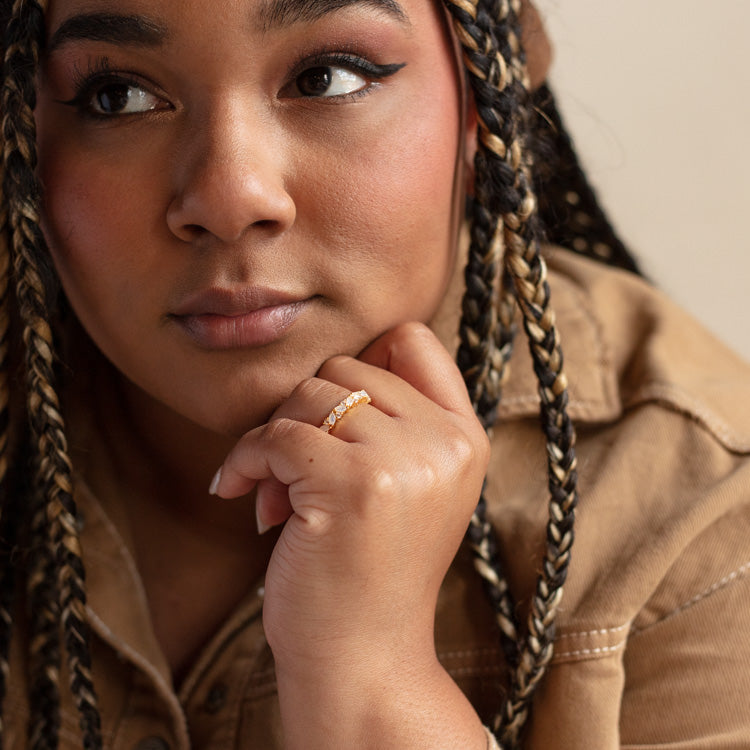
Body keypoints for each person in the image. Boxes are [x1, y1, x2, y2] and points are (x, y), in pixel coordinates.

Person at [1, 0, 748, 748]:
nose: (231, 199)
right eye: (117, 96)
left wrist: (373, 677)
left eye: (327, 77)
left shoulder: (706, 527)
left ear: (487, 95)